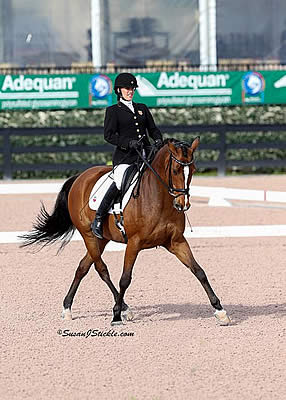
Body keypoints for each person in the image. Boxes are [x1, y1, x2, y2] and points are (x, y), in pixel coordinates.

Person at [91, 72, 163, 238]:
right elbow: (108, 135)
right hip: (125, 158)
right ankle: (99, 218)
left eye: (132, 88)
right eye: (127, 88)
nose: (130, 91)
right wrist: (128, 143)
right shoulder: (113, 111)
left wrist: (158, 139)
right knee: (118, 181)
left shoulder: (142, 108)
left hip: (146, 156)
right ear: (119, 90)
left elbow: (153, 129)